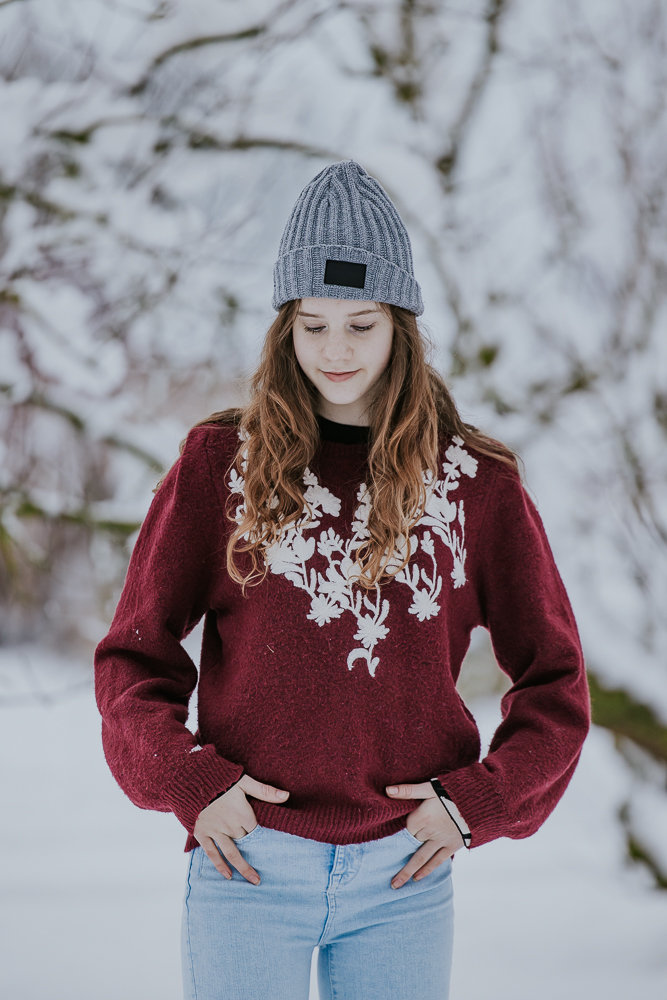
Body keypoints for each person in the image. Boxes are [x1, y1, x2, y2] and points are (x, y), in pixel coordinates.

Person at [95, 161, 590, 1000]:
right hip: (247, 861)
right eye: (313, 324)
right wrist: (187, 780)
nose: (335, 351)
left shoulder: (475, 483)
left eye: (360, 324)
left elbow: (555, 681)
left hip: (404, 874)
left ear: (399, 324)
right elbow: (132, 661)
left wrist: (478, 802)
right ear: (284, 327)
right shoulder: (223, 465)